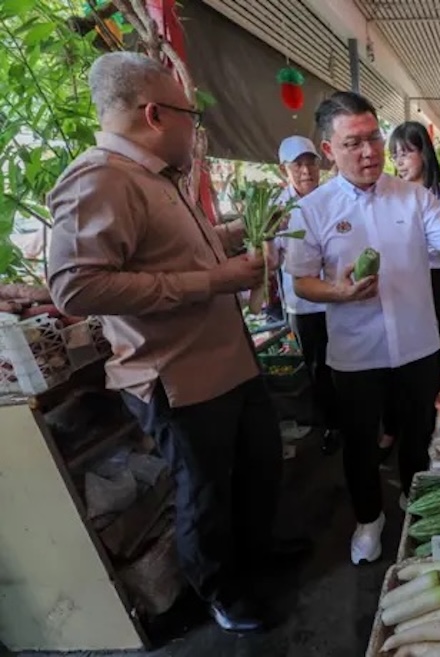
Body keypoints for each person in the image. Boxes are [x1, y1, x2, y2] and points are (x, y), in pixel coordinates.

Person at [46, 52, 304, 633]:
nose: (198, 130)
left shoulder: (154, 176)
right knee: (205, 493)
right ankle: (221, 591)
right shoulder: (100, 178)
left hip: (228, 362)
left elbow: (173, 249)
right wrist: (216, 280)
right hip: (178, 377)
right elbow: (75, 285)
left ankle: (256, 554)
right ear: (156, 113)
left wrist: (235, 236)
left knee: (257, 466)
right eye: (193, 115)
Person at [284, 92, 440, 565]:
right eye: (354, 143)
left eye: (374, 139)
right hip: (356, 352)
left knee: (419, 431)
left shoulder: (415, 197)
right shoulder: (312, 210)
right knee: (360, 444)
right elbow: (302, 283)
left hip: (419, 343)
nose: (370, 152)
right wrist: (337, 294)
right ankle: (368, 519)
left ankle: (415, 500)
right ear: (328, 150)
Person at [379, 121, 440, 460]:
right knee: (394, 355)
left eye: (406, 152)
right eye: (395, 155)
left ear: (423, 153)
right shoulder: (389, 195)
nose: (400, 161)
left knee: (433, 356)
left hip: (435, 281)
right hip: (399, 283)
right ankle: (392, 425)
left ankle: (428, 424)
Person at [273, 136, 340, 455]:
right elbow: (268, 257)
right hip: (303, 305)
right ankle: (332, 424)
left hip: (341, 297)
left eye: (310, 162)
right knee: (318, 366)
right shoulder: (277, 210)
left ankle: (359, 415)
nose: (306, 170)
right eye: (297, 164)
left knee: (347, 359)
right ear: (283, 169)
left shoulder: (334, 198)